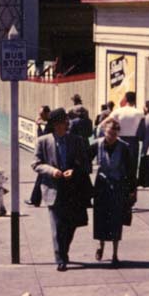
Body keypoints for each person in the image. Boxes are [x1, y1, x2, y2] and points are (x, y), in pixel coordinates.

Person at [32, 107, 92, 271]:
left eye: (66, 122)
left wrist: (75, 171)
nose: (66, 124)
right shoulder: (43, 141)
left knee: (71, 225)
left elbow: (86, 164)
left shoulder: (76, 140)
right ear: (55, 124)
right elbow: (36, 164)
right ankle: (60, 258)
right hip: (53, 188)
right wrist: (53, 171)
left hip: (72, 189)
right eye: (63, 122)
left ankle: (64, 250)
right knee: (57, 226)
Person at [90, 115, 136, 266]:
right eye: (109, 132)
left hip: (117, 186)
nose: (111, 135)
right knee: (101, 218)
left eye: (115, 133)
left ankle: (115, 254)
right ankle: (100, 245)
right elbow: (84, 161)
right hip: (101, 186)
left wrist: (131, 190)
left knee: (116, 220)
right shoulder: (97, 144)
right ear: (104, 131)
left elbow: (130, 170)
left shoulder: (124, 147)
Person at [26, 105, 52, 207]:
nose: (40, 116)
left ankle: (35, 199)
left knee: (41, 176)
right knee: (41, 177)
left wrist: (39, 127)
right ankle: (35, 199)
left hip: (48, 155)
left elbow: (42, 138)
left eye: (42, 114)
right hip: (48, 154)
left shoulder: (50, 124)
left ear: (47, 113)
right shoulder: (49, 123)